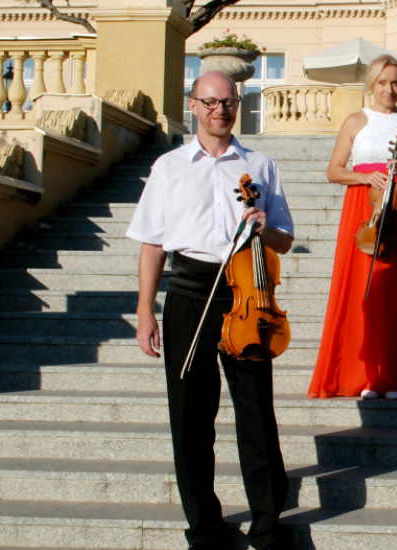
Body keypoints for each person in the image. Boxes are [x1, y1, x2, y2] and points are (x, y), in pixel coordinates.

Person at [128, 70, 294, 550]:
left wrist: (265, 227)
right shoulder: (169, 167)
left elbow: (284, 238)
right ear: (194, 106)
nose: (222, 109)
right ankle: (204, 526)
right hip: (189, 291)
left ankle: (267, 521)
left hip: (248, 290)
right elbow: (153, 245)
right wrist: (145, 311)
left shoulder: (260, 166)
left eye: (230, 102)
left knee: (256, 411)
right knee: (191, 416)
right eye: (213, 102)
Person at [308, 54, 397, 401]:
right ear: (371, 85)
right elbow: (334, 170)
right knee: (362, 291)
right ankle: (365, 375)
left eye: (396, 82)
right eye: (383, 82)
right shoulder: (356, 120)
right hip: (363, 208)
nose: (390, 89)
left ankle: (396, 375)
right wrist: (365, 176)